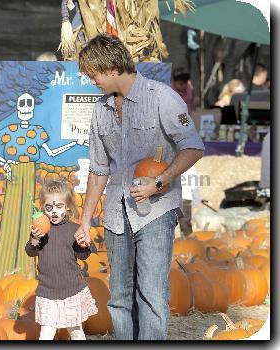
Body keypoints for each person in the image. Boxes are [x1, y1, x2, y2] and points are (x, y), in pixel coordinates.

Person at [74, 34, 204, 340]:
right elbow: (98, 169)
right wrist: (85, 219)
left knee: (152, 296)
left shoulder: (162, 97)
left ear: (110, 68)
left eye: (93, 73)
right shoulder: (100, 109)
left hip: (156, 212)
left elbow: (193, 148)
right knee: (119, 298)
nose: (90, 80)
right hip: (116, 215)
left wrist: (160, 181)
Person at [25, 179, 98, 340]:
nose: (54, 212)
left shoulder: (73, 229)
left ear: (67, 207)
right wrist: (35, 239)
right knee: (46, 333)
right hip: (48, 292)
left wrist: (83, 244)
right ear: (43, 207)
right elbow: (30, 251)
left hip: (71, 290)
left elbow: (83, 255)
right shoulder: (41, 229)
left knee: (76, 331)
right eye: (49, 207)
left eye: (59, 207)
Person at [179, 166, 202, 236]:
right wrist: (197, 199)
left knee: (184, 223)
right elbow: (194, 185)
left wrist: (197, 199)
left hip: (181, 198)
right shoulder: (190, 166)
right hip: (184, 198)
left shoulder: (169, 162)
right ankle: (188, 241)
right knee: (185, 222)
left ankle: (188, 242)